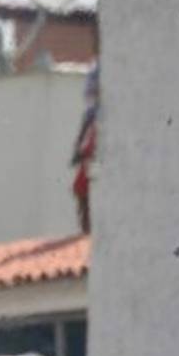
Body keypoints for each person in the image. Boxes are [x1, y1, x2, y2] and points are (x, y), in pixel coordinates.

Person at [71, 64, 99, 233]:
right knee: (80, 187)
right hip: (88, 164)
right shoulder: (89, 116)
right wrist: (77, 152)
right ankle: (86, 228)